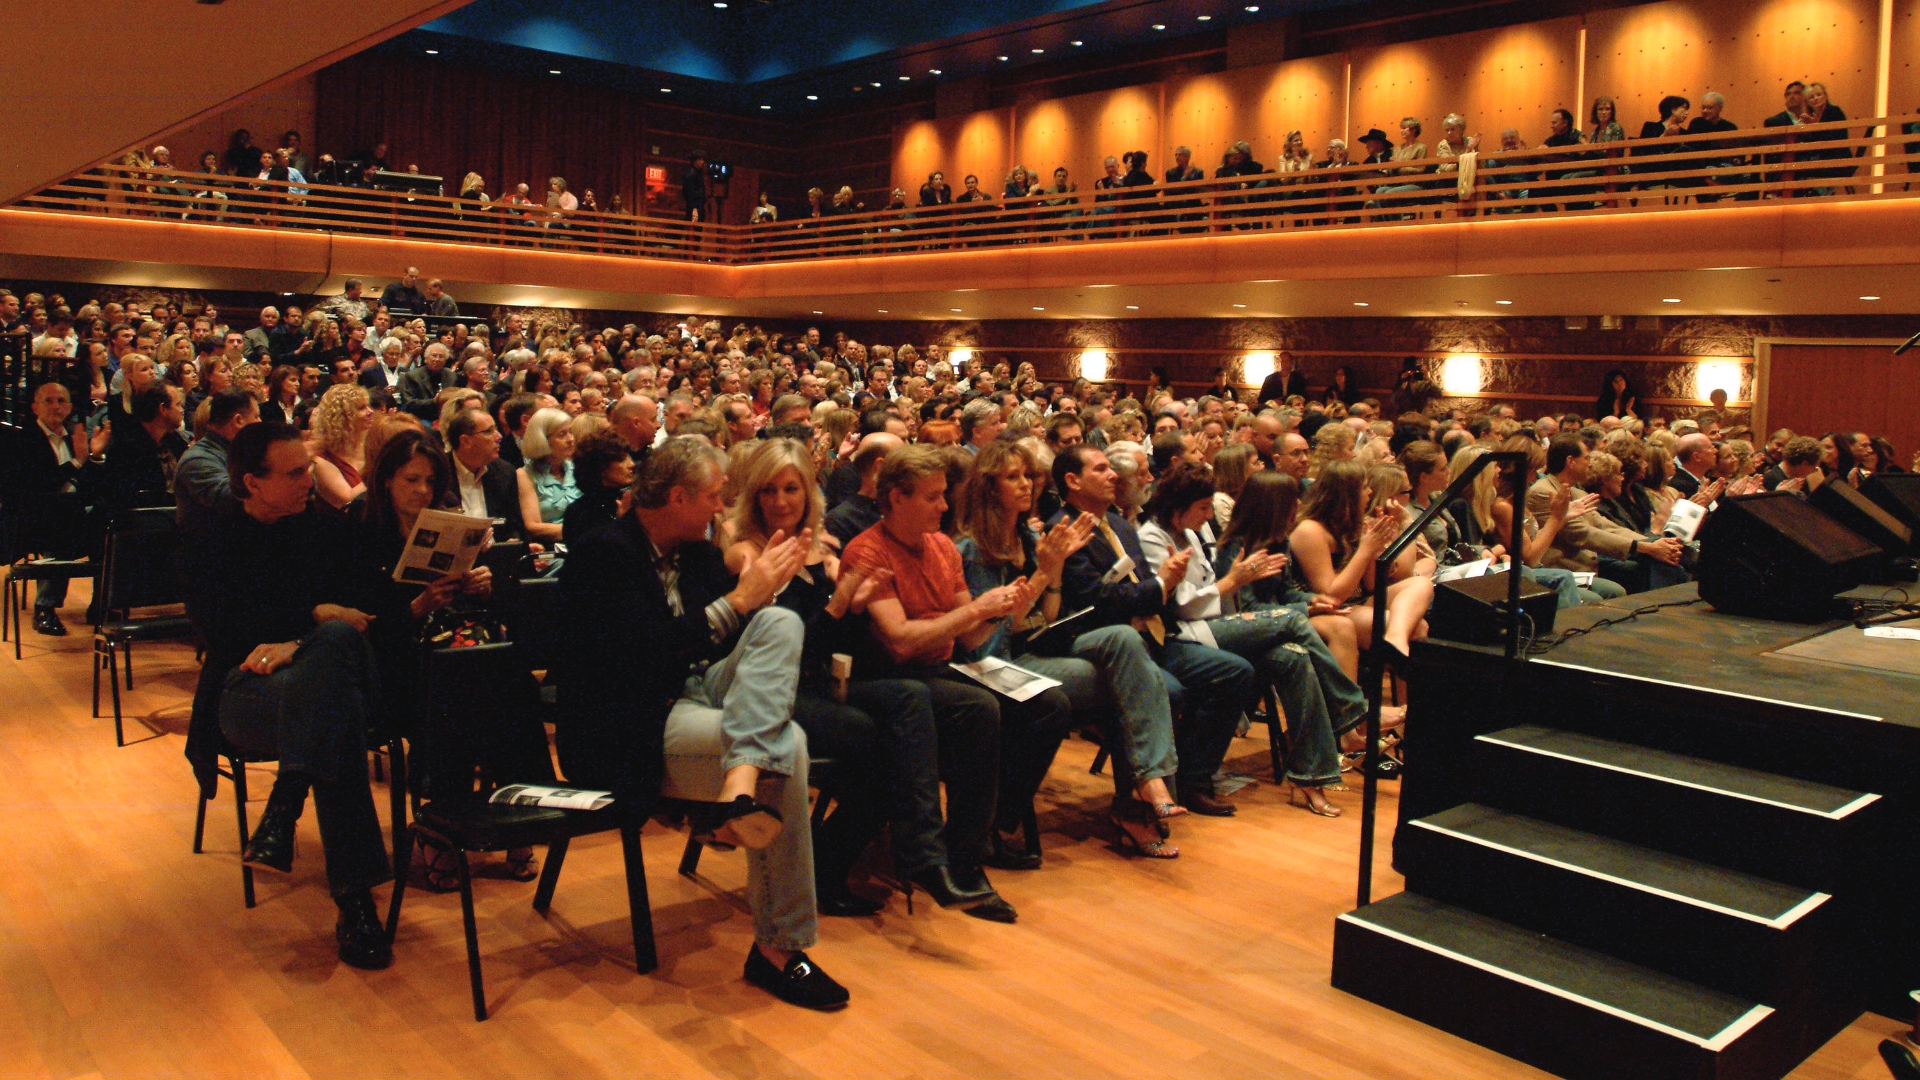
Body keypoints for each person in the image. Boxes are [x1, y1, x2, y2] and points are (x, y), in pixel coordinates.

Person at [554, 436, 850, 1009]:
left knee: (781, 624)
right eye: (714, 496)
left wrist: (768, 594)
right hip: (632, 721)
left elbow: (737, 643)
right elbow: (638, 658)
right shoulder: (602, 553)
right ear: (678, 497)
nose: (722, 508)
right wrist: (739, 601)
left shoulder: (696, 554)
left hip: (694, 696)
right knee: (789, 746)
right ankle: (779, 949)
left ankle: (737, 787)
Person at [190, 422, 393, 970]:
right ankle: (353, 900)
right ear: (252, 483)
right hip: (247, 691)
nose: (309, 480)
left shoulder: (326, 530)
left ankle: (288, 803)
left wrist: (299, 641)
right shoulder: (211, 540)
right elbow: (222, 636)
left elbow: (365, 614)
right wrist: (311, 617)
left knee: (331, 673)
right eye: (296, 473)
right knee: (333, 702)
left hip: (323, 685)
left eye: (308, 470)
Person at [840, 444, 1051, 921]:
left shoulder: (940, 546)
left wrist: (1000, 609)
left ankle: (983, 839)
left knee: (1040, 706)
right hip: (884, 677)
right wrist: (975, 611)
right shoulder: (868, 550)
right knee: (976, 709)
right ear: (897, 498)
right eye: (933, 497)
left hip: (934, 671)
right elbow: (899, 642)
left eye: (943, 494)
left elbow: (970, 636)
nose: (944, 505)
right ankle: (958, 860)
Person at [723, 439, 894, 915]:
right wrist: (839, 605)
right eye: (769, 490)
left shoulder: (823, 548)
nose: (780, 501)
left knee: (901, 726)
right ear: (754, 496)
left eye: (791, 489)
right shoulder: (746, 553)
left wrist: (856, 605)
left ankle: (823, 863)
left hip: (819, 681)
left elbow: (832, 640)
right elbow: (785, 643)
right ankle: (820, 871)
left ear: (808, 492)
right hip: (768, 692)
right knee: (875, 745)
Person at [1138, 464, 1367, 817]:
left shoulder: (1196, 532)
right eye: (1203, 507)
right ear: (1178, 506)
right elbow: (1181, 605)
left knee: (1294, 656)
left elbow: (1278, 593)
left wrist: (1310, 602)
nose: (1210, 515)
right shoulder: (1155, 536)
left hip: (1216, 624)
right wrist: (1235, 581)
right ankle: (1352, 711)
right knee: (1293, 621)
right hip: (1183, 631)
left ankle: (1310, 777)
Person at [1051, 445, 1255, 817]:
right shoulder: (1063, 529)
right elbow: (1095, 599)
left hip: (1154, 634)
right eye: (1101, 469)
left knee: (1234, 672)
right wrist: (1161, 585)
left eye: (1111, 468)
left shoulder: (1118, 525)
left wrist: (1163, 585)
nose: (1113, 475)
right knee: (1170, 690)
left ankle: (1194, 779)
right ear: (1073, 481)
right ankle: (1137, 806)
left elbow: (1143, 584)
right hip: (1105, 642)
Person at [1290, 460, 1434, 658]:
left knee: (1421, 584)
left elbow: (1372, 584)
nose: (1370, 492)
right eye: (1364, 487)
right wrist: (1365, 550)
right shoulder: (1310, 530)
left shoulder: (1355, 523)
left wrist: (1376, 548)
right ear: (1346, 494)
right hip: (1329, 610)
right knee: (1417, 627)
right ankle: (1394, 646)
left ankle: (1395, 639)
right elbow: (1331, 596)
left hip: (1359, 600)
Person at [1, 380, 108, 635]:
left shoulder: (73, 438)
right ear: (35, 407)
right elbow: (34, 485)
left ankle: (101, 604)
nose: (56, 406)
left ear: (69, 408)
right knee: (60, 521)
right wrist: (78, 462)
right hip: (28, 518)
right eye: (48, 401)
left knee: (108, 523)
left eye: (61, 401)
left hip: (70, 513)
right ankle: (44, 608)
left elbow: (88, 487)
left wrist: (94, 457)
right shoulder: (21, 440)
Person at [445, 407, 530, 543]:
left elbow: (513, 524)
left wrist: (514, 542)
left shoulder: (504, 472)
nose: (499, 436)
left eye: (496, 429)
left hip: (497, 552)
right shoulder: (439, 473)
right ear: (465, 441)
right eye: (488, 432)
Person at [562, 428, 634, 547]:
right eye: (622, 460)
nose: (631, 464)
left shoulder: (630, 501)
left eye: (629, 457)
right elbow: (589, 555)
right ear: (601, 467)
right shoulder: (578, 513)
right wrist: (622, 524)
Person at [516, 407, 578, 542]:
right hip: (551, 547)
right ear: (542, 439)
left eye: (571, 432)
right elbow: (533, 527)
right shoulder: (525, 475)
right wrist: (580, 530)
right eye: (562, 434)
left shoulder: (578, 467)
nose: (570, 439)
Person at [310, 384, 373, 510]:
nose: (370, 411)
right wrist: (380, 469)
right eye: (361, 408)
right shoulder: (321, 461)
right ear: (342, 417)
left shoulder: (371, 446)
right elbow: (348, 501)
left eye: (368, 406)